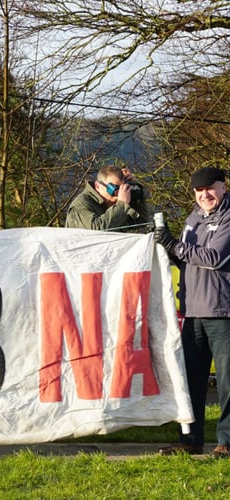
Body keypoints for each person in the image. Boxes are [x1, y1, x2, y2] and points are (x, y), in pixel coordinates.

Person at [155, 166, 230, 458]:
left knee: (226, 384)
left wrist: (175, 245)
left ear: (223, 187)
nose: (205, 195)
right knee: (190, 382)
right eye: (199, 191)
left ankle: (226, 442)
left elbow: (213, 258)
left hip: (223, 313)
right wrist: (165, 246)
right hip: (193, 312)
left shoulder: (227, 217)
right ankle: (190, 439)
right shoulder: (193, 218)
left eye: (210, 188)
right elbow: (183, 257)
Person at [65, 165, 150, 231]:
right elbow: (96, 231)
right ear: (97, 186)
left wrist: (136, 193)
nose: (118, 195)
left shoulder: (116, 205)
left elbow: (141, 224)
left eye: (121, 189)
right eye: (113, 189)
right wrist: (121, 205)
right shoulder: (81, 205)